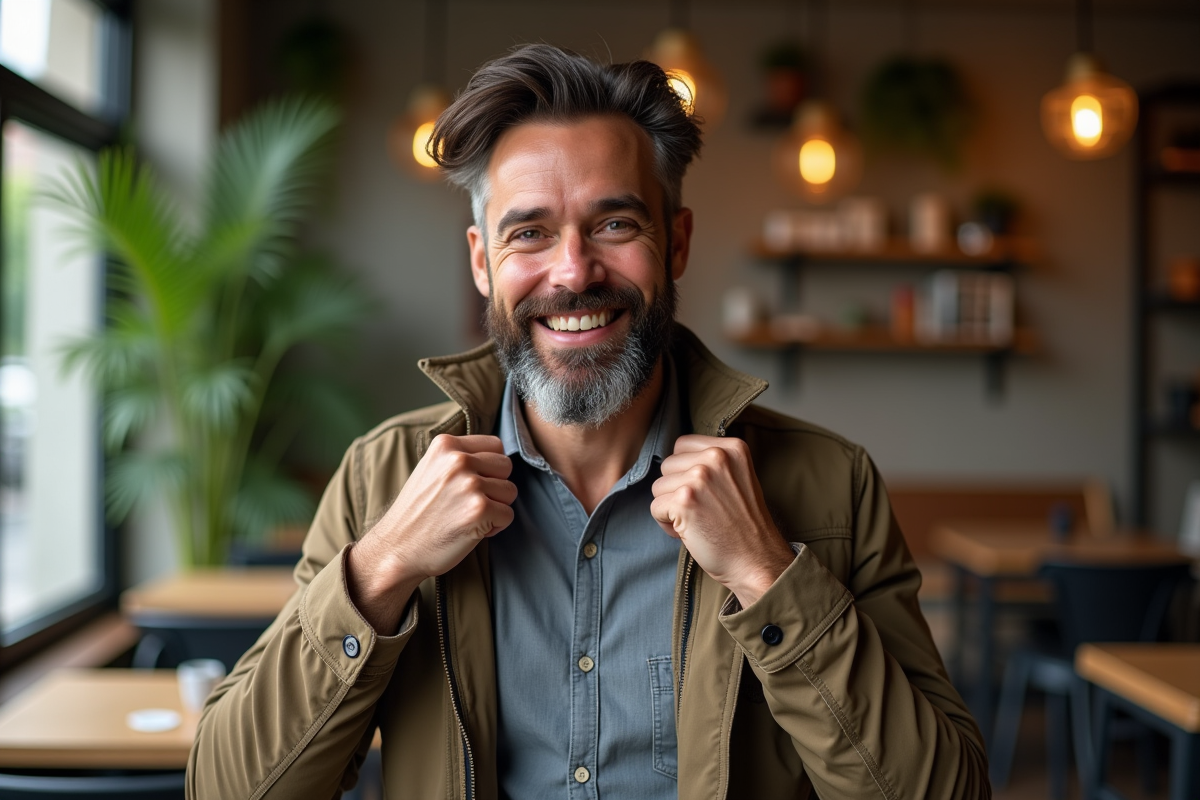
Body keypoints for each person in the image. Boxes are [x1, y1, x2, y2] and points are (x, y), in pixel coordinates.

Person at [188, 44, 988, 800]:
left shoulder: (829, 485)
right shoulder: (383, 477)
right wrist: (384, 567)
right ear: (482, 262)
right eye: (529, 232)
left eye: (614, 224)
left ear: (675, 242)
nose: (573, 271)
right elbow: (229, 788)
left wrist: (768, 575)